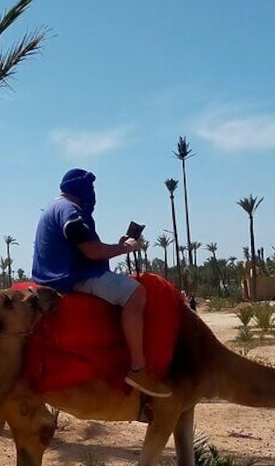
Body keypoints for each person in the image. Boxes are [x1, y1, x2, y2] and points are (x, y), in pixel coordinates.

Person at [32, 168, 171, 398]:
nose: (93, 194)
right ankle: (138, 368)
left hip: (58, 274)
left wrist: (116, 246)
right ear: (83, 189)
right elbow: (92, 251)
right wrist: (124, 249)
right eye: (91, 188)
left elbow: (89, 249)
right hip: (73, 277)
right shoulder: (70, 211)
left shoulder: (54, 207)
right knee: (136, 293)